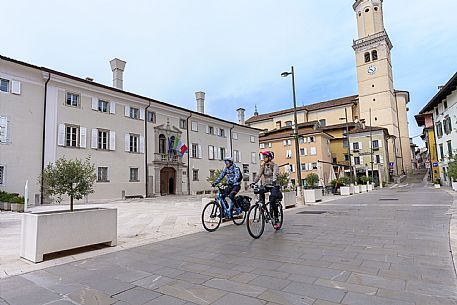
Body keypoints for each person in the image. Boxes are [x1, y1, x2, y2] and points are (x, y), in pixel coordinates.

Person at [251, 151, 282, 229]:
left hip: (274, 185)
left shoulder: (275, 165)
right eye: (263, 157)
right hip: (266, 185)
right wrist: (254, 182)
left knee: (272, 200)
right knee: (260, 191)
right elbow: (259, 175)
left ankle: (276, 218)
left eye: (265, 157)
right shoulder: (263, 166)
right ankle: (263, 207)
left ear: (270, 158)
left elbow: (275, 173)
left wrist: (274, 180)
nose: (263, 158)